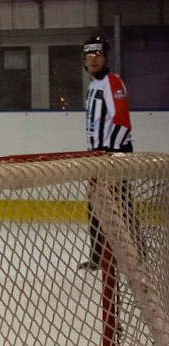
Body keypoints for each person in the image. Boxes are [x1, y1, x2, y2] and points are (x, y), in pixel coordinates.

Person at [80, 35, 134, 272]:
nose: (93, 59)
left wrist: (111, 154)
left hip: (114, 157)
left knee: (121, 210)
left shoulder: (113, 82)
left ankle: (136, 255)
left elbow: (122, 121)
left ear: (106, 57)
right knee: (96, 209)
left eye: (98, 54)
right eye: (89, 55)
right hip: (97, 158)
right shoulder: (93, 86)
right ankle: (97, 257)